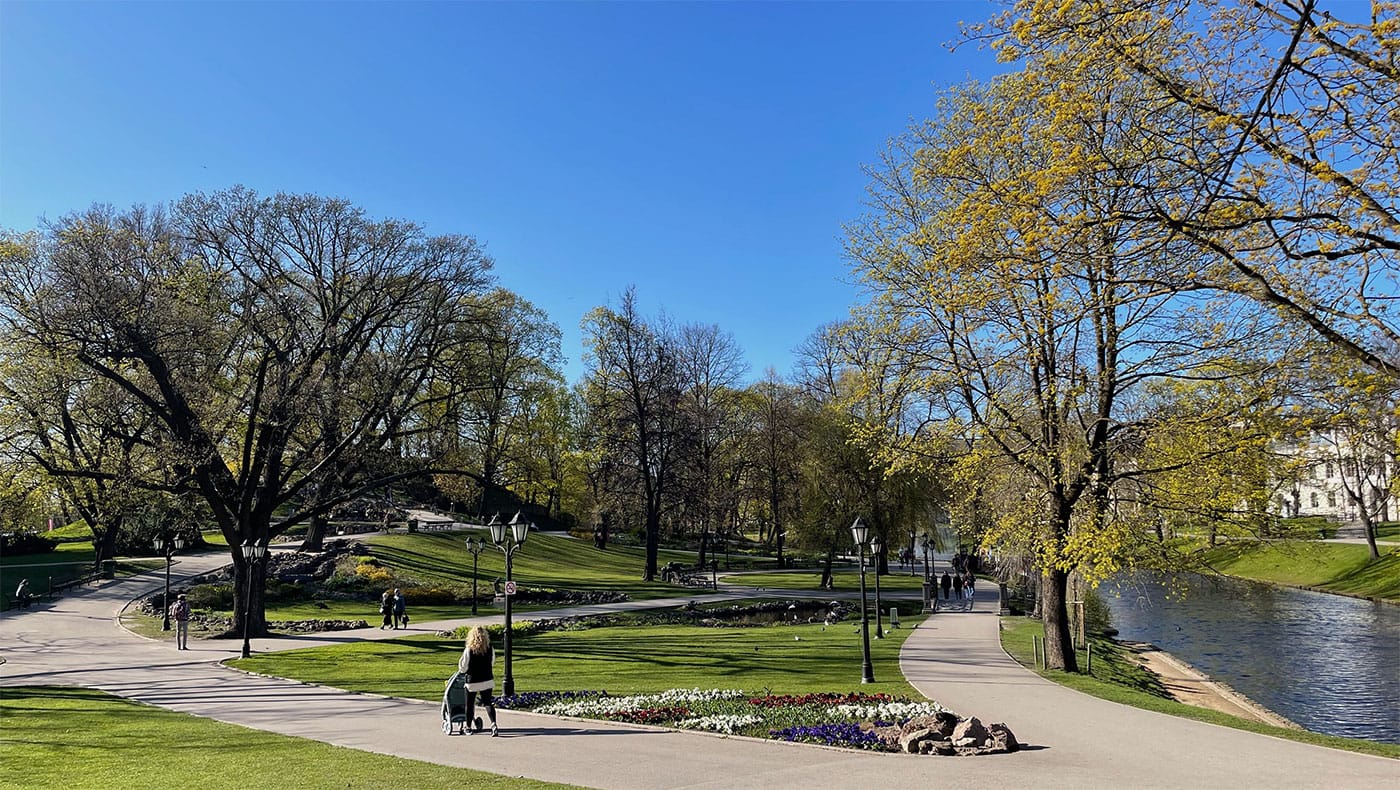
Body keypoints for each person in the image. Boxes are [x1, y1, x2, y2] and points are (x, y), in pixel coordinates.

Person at [457, 625, 499, 736]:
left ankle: (468, 727)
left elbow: (463, 666)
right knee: (488, 703)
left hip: (472, 681)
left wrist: (463, 671)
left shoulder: (469, 649)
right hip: (487, 679)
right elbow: (492, 662)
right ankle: (493, 724)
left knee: (469, 704)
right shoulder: (490, 648)